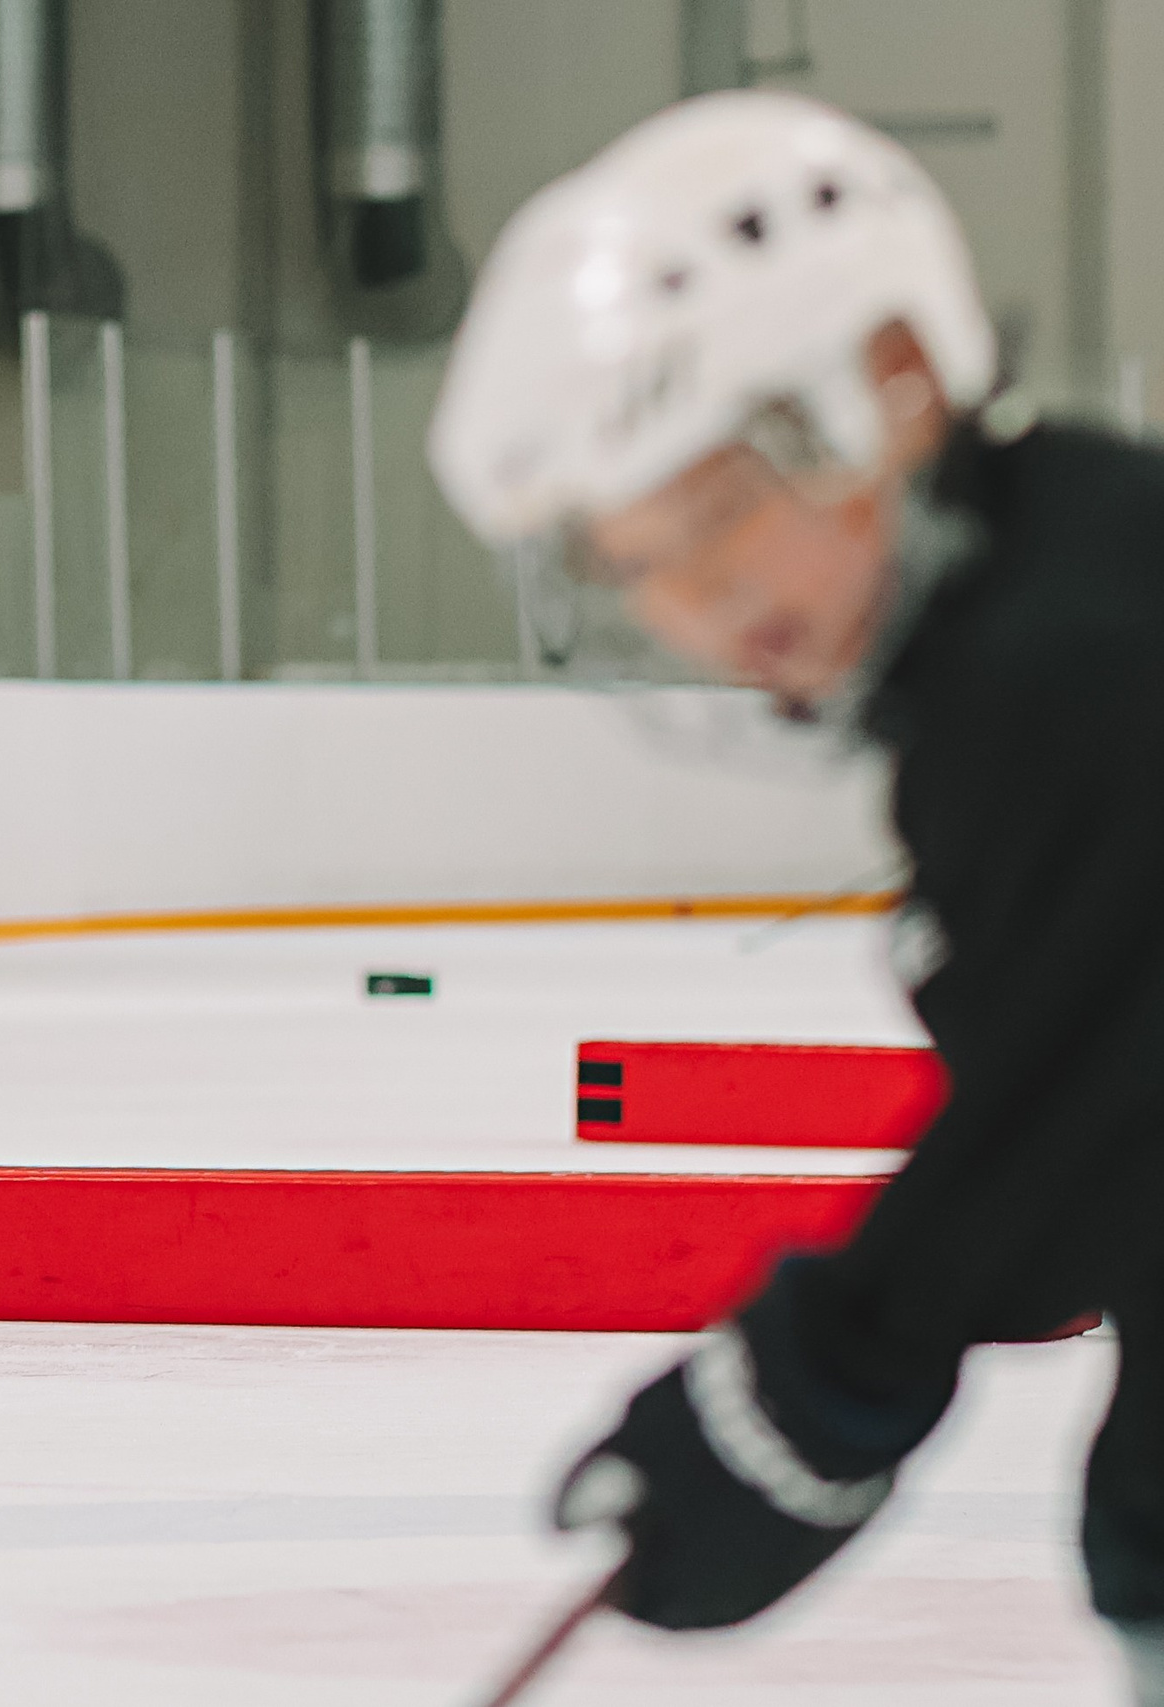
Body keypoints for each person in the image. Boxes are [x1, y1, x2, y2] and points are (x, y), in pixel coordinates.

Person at [430, 89, 1164, 1696]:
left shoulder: (1087, 656)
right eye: (639, 566)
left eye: (717, 516)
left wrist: (813, 1393)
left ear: (889, 385)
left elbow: (1102, 1094)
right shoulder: (1044, 613)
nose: (701, 604)